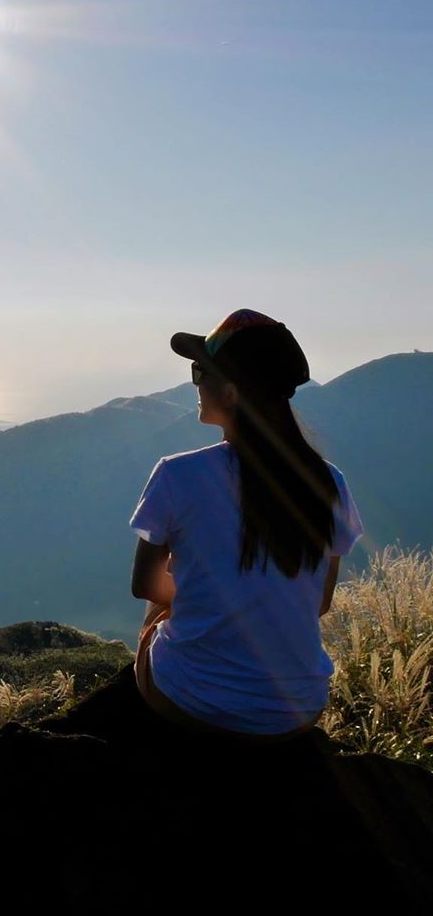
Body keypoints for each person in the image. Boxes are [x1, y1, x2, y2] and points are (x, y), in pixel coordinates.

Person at [128, 309, 364, 743]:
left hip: (193, 704)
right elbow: (320, 602)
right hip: (299, 709)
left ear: (232, 391)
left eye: (201, 371)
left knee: (156, 612)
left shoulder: (177, 475)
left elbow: (144, 586)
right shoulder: (330, 482)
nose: (195, 383)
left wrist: (208, 597)